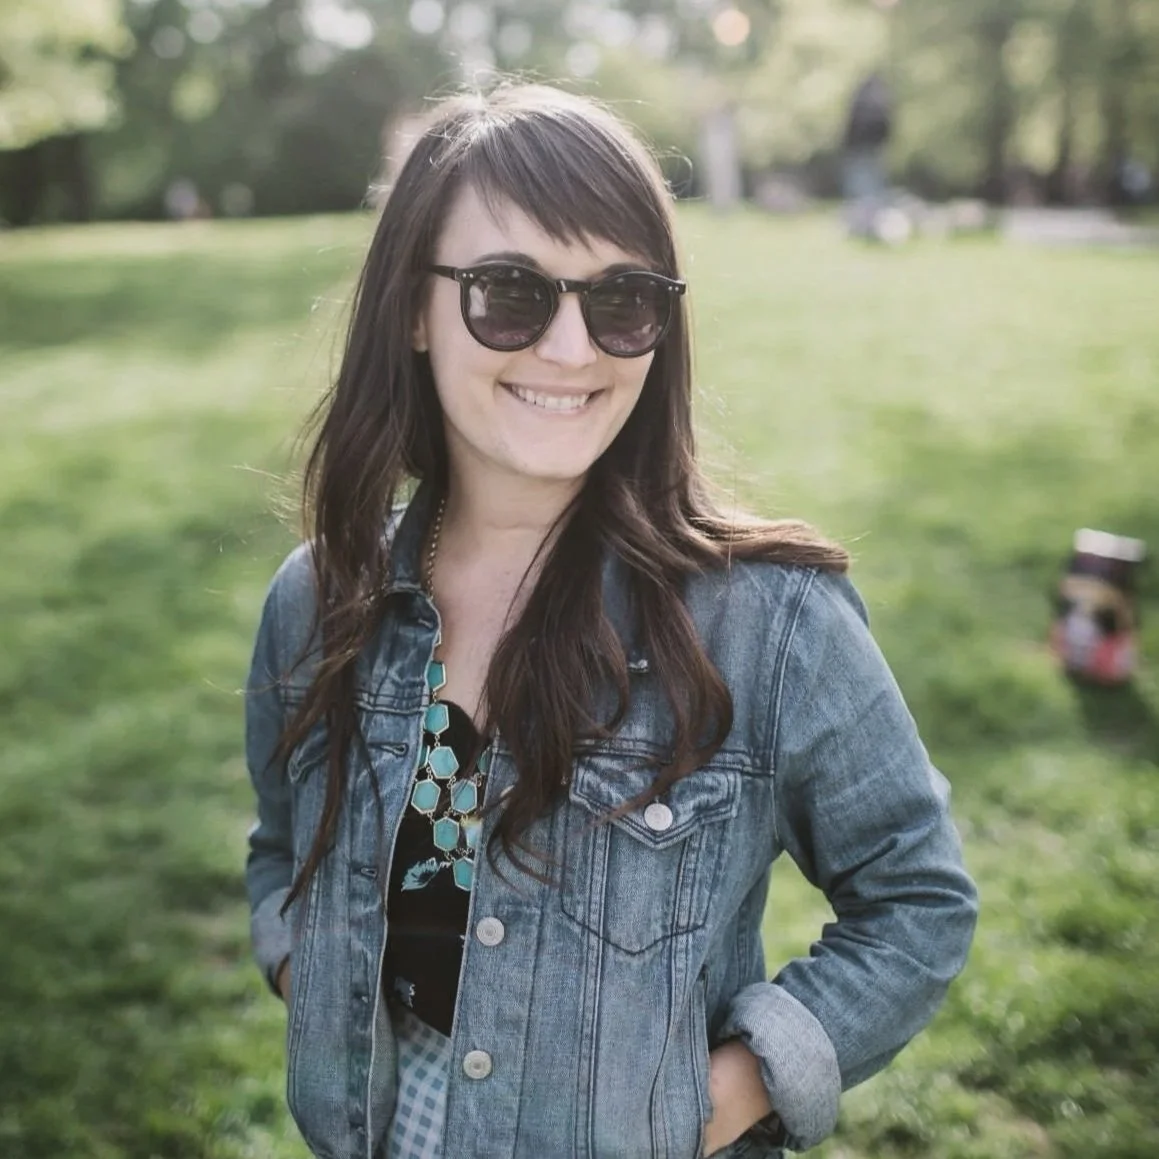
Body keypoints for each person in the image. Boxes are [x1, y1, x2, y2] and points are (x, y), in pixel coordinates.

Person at [244, 82, 977, 1159]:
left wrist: (724, 1092)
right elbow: (280, 847)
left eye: (621, 300)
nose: (572, 349)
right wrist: (306, 968)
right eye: (510, 292)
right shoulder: (317, 602)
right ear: (411, 304)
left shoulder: (769, 624)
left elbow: (916, 899)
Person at [840, 73, 893, 239]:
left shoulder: (866, 106)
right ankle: (863, 229)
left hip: (868, 155)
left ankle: (868, 229)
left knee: (868, 194)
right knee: (866, 193)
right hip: (862, 155)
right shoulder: (871, 107)